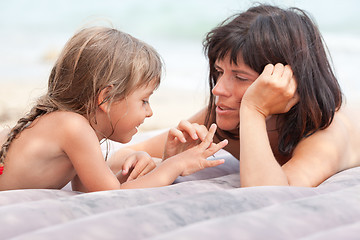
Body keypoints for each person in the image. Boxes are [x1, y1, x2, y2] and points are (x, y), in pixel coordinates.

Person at [113, 4, 360, 187]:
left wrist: (254, 110)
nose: (217, 89)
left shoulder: (324, 134)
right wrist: (158, 160)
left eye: (240, 77)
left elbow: (267, 194)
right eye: (219, 72)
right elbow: (119, 157)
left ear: (286, 82)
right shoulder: (223, 116)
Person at [0, 27, 228, 192]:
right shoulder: (73, 127)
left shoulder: (74, 127)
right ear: (106, 98)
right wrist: (175, 164)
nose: (150, 113)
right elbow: (112, 195)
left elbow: (88, 187)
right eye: (144, 101)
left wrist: (137, 171)